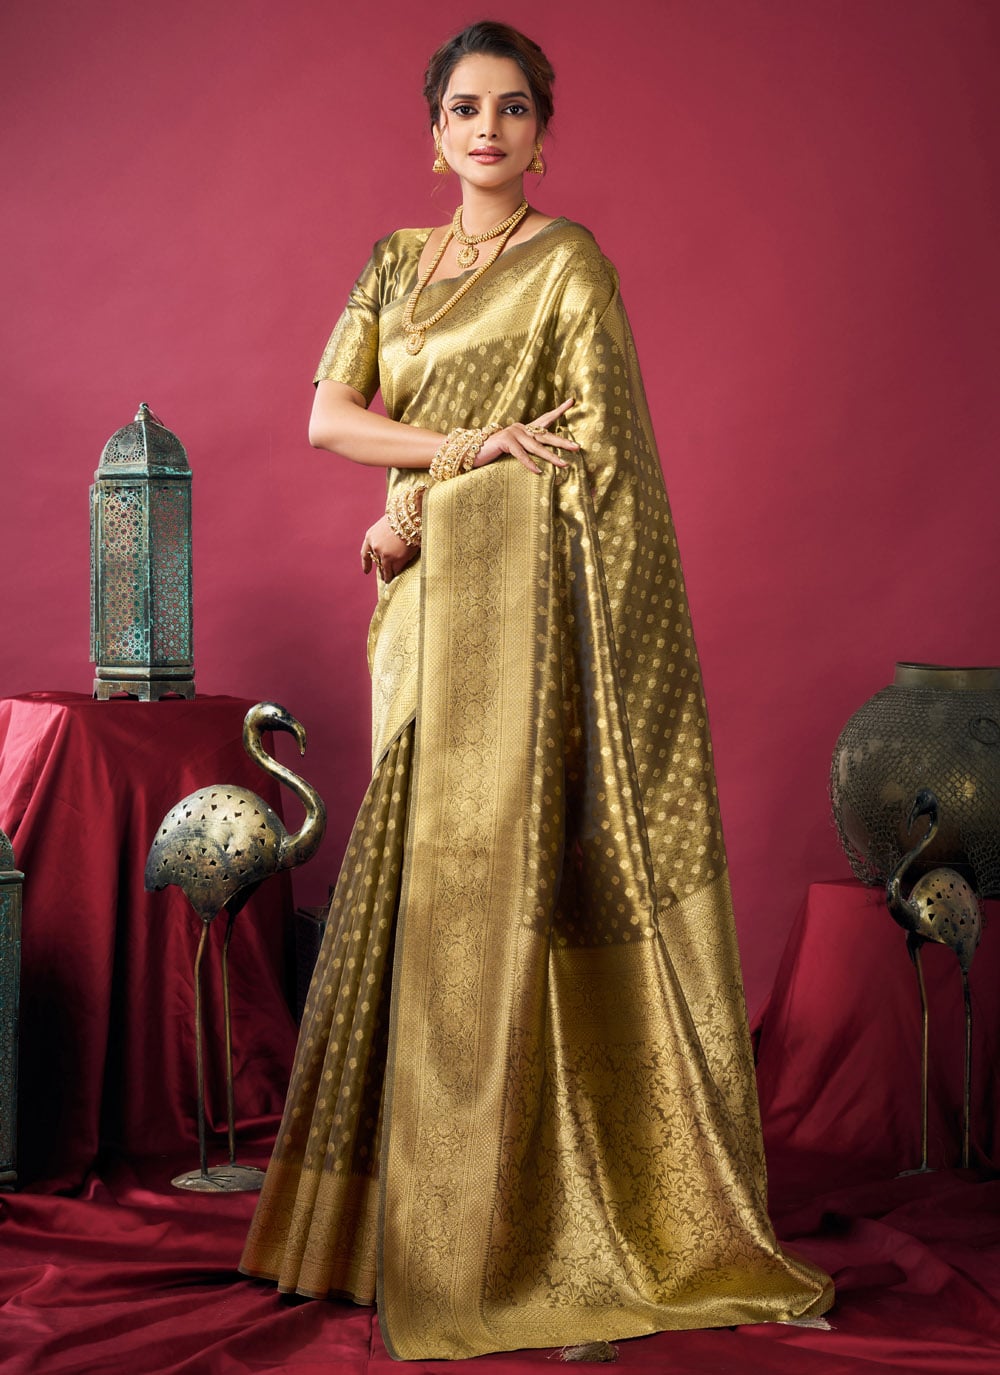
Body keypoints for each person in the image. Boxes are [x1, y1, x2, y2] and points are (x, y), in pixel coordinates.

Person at [240, 20, 833, 1361]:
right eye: (465, 108)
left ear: (543, 132)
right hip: (422, 622)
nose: (488, 130)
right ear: (433, 132)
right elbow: (328, 418)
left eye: (513, 108)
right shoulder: (393, 264)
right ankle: (380, 1226)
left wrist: (425, 498)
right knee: (407, 888)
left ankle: (509, 1220)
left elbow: (595, 460)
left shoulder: (571, 267)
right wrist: (456, 459)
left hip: (521, 633)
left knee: (501, 884)